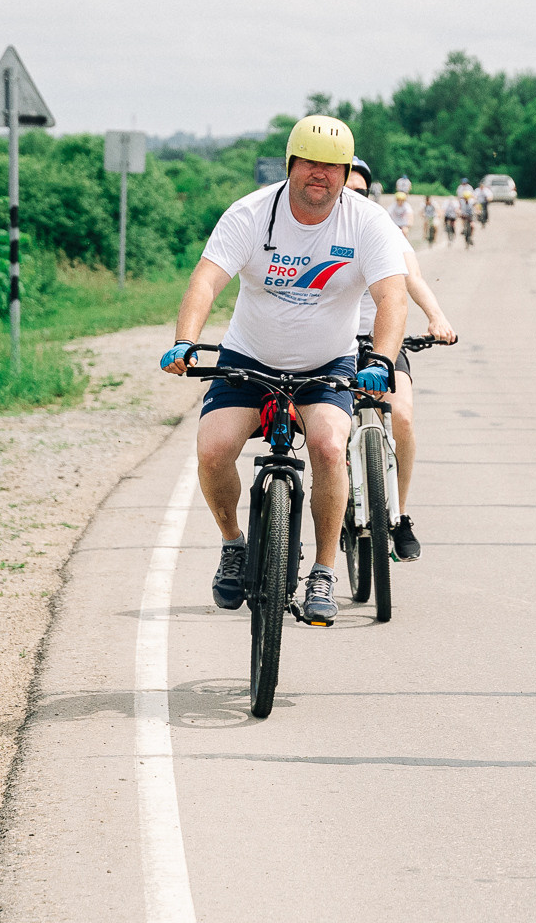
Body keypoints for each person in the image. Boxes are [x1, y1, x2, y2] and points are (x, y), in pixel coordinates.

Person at [159, 115, 410, 627]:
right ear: (291, 165)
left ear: (345, 174)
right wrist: (184, 340)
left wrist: (381, 360)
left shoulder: (366, 222)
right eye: (311, 163)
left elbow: (392, 297)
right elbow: (206, 281)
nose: (321, 174)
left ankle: (323, 571)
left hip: (327, 363)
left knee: (327, 448)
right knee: (212, 450)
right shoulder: (250, 214)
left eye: (333, 166)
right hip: (248, 358)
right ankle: (233, 543)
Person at [347, 164, 458, 561]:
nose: (354, 197)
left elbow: (412, 278)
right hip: (333, 346)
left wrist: (436, 316)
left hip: (382, 341)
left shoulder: (381, 228)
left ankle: (399, 515)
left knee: (403, 418)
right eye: (348, 189)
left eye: (361, 190)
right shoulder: (317, 228)